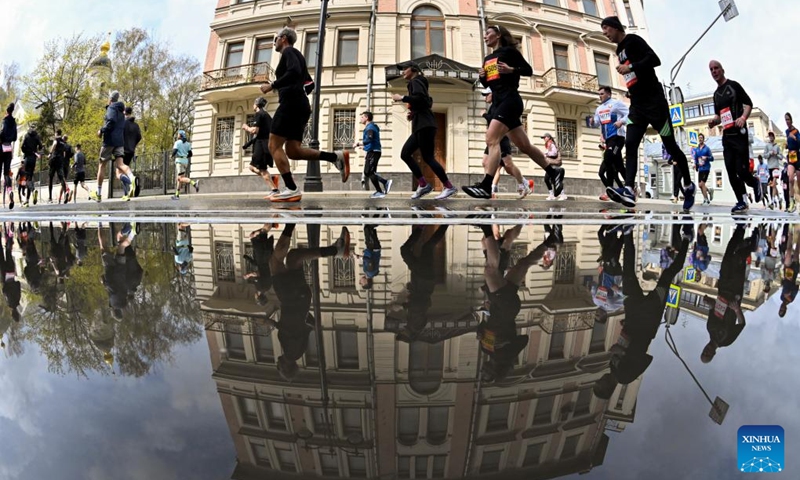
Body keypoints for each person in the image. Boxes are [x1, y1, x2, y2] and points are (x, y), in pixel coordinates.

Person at [601, 16, 696, 211]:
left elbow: (654, 60)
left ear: (615, 27)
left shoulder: (634, 40)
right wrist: (631, 87)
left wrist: (631, 67)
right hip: (637, 106)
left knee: (671, 147)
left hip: (656, 104)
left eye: (606, 29)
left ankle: (688, 185)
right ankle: (628, 188)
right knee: (631, 142)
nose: (605, 34)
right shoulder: (619, 51)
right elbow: (633, 77)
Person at [593, 219, 693, 399]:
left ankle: (627, 232)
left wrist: (624, 330)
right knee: (667, 276)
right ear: (608, 387)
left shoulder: (612, 368)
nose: (601, 378)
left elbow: (624, 344)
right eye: (601, 382)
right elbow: (645, 358)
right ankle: (686, 240)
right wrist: (623, 351)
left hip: (632, 314)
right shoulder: (625, 377)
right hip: (649, 316)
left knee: (628, 274)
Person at [462, 25, 562, 199]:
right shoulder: (488, 58)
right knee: (525, 146)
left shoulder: (510, 52)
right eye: (484, 34)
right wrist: (482, 76)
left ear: (498, 35)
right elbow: (488, 85)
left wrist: (511, 70)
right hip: (499, 101)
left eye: (488, 33)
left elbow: (528, 70)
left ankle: (486, 186)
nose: (485, 36)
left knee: (491, 139)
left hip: (510, 100)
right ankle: (554, 173)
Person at [259, 27, 349, 203]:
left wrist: (273, 85)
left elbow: (294, 73)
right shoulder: (297, 55)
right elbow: (310, 84)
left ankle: (291, 189)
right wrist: (296, 93)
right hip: (299, 105)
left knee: (273, 145)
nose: (274, 42)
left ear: (283, 38)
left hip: (291, 105)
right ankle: (335, 157)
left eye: (275, 39)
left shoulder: (289, 51)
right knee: (293, 151)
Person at [477, 223, 562, 382]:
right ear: (495, 370)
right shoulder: (502, 354)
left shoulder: (487, 349)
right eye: (486, 372)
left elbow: (484, 326)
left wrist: (481, 332)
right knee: (491, 269)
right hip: (503, 306)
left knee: (523, 264)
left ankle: (550, 241)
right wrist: (506, 343)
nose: (483, 369)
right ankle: (486, 227)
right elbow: (523, 340)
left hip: (507, 308)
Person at [266, 224, 351, 381]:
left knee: (294, 258)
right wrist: (271, 323)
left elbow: (307, 326)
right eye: (279, 367)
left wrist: (304, 311)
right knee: (276, 262)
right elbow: (290, 328)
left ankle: (335, 250)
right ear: (285, 367)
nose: (277, 363)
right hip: (290, 298)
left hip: (299, 299)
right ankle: (291, 224)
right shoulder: (292, 353)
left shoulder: (297, 351)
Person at [391, 61, 457, 200]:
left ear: (413, 69)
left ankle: (449, 186)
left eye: (404, 69)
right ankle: (423, 184)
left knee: (426, 157)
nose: (402, 71)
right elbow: (425, 101)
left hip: (424, 125)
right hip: (422, 124)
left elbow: (420, 99)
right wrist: (413, 113)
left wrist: (402, 97)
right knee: (406, 153)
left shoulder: (416, 81)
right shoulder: (418, 82)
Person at [707, 60, 761, 214]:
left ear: (722, 70)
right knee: (730, 170)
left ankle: (754, 182)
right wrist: (713, 122)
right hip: (727, 136)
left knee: (741, 171)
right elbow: (719, 115)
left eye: (716, 68)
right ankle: (742, 201)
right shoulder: (716, 95)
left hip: (739, 135)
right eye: (711, 70)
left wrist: (743, 118)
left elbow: (749, 103)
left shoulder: (733, 86)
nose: (714, 71)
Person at [700, 223, 758, 363]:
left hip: (723, 288)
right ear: (713, 354)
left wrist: (708, 302)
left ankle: (741, 228)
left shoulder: (709, 328)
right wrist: (737, 310)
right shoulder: (726, 341)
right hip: (734, 293)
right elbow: (742, 324)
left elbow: (714, 308)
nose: (706, 351)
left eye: (704, 352)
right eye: (708, 354)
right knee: (738, 258)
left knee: (727, 257)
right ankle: (751, 246)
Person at [480, 88, 531, 199]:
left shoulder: (499, 105)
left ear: (492, 94)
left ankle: (523, 183)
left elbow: (495, 120)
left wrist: (484, 115)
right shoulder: (492, 106)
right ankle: (486, 187)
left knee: (508, 166)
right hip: (493, 139)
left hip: (501, 138)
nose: (485, 98)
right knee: (485, 162)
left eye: (486, 95)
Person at [92, 91, 137, 202]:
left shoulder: (111, 108)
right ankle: (132, 178)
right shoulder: (122, 112)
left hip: (109, 141)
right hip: (119, 142)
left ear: (110, 99)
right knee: (121, 164)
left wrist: (101, 131)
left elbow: (110, 122)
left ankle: (98, 194)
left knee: (102, 165)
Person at [591, 85, 628, 200]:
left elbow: (630, 114)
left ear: (609, 94)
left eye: (602, 94)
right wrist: (593, 122)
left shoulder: (616, 104)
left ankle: (610, 189)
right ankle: (630, 187)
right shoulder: (599, 109)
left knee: (608, 156)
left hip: (618, 138)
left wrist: (621, 121)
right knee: (618, 165)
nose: (600, 96)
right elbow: (597, 123)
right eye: (599, 94)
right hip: (608, 140)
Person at [242, 97, 280, 198]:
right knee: (252, 167)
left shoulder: (259, 114)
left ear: (257, 104)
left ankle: (275, 190)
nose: (253, 105)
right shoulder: (267, 115)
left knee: (262, 169)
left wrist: (246, 127)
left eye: (254, 103)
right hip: (263, 144)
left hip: (263, 146)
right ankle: (271, 178)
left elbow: (254, 130)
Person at [354, 111, 391, 198]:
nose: (361, 119)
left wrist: (358, 143)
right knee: (368, 172)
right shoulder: (372, 127)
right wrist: (364, 148)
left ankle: (383, 186)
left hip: (373, 152)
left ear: (367, 118)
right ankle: (382, 187)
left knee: (369, 172)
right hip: (372, 151)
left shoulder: (370, 127)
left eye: (362, 117)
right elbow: (372, 141)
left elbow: (370, 139)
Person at [243, 224, 275, 305]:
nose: (254, 297)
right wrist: (248, 275)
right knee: (253, 236)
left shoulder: (267, 287)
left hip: (267, 258)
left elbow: (266, 273)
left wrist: (247, 258)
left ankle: (273, 219)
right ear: (258, 297)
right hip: (261, 257)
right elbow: (257, 274)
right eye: (256, 298)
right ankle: (272, 220)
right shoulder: (260, 287)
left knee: (263, 234)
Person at [0, 223, 21, 322]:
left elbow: (18, 284)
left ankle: (9, 233)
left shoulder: (18, 300)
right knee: (1, 255)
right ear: (12, 313)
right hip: (5, 275)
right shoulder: (10, 303)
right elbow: (5, 291)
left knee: (8, 252)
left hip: (12, 274)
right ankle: (1, 232)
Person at [171, 130, 199, 200]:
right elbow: (190, 154)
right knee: (179, 179)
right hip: (185, 162)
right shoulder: (188, 144)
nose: (177, 135)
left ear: (180, 135)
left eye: (178, 134)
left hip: (179, 162)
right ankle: (177, 195)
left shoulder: (177, 143)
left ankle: (194, 183)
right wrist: (185, 156)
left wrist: (171, 156)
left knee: (180, 178)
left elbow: (174, 151)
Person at [779, 224, 799, 318]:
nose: (781, 308)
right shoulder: (790, 299)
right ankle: (798, 234)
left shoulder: (781, 297)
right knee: (796, 252)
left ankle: (790, 233)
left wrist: (782, 282)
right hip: (793, 273)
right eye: (783, 310)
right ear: (785, 309)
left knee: (789, 250)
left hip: (787, 272)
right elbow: (796, 287)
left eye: (780, 309)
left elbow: (784, 285)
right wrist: (790, 293)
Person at [20, 124, 42, 207]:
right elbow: (40, 146)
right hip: (33, 159)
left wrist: (26, 151)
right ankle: (27, 200)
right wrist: (35, 150)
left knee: (27, 179)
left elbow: (22, 147)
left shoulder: (26, 136)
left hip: (27, 159)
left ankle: (33, 191)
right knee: (30, 178)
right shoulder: (36, 136)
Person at [122, 106, 142, 197]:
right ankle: (129, 190)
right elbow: (139, 137)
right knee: (126, 170)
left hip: (122, 149)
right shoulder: (136, 125)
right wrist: (133, 145)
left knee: (119, 172)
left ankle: (131, 184)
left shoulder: (123, 123)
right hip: (131, 150)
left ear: (124, 113)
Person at [0, 104, 17, 209]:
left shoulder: (5, 120)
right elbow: (15, 137)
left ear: (7, 111)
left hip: (1, 147)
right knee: (7, 173)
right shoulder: (14, 123)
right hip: (9, 148)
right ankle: (10, 191)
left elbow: (2, 131)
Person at [542, 133, 567, 201]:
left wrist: (546, 154)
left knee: (553, 180)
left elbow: (554, 153)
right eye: (543, 138)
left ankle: (562, 195)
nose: (544, 139)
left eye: (545, 137)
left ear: (549, 137)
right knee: (549, 179)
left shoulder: (551, 144)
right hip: (550, 165)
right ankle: (552, 194)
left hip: (554, 165)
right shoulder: (548, 145)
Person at [784, 113, 800, 212]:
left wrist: (795, 138)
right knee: (790, 178)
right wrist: (787, 145)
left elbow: (799, 142)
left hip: (798, 156)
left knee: (799, 181)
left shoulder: (796, 131)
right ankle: (792, 202)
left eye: (788, 119)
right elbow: (789, 143)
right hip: (790, 156)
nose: (787, 121)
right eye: (785, 120)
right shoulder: (786, 131)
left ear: (791, 120)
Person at [763, 131, 783, 209]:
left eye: (772, 136)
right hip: (770, 167)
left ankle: (772, 201)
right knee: (773, 185)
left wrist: (776, 154)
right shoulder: (767, 146)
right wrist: (769, 153)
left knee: (774, 183)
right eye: (770, 136)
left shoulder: (777, 146)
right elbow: (764, 155)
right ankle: (779, 198)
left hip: (776, 166)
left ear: (774, 138)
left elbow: (781, 157)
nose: (771, 138)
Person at [693, 133, 714, 205]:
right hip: (700, 169)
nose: (700, 139)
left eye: (701, 138)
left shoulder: (707, 148)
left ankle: (706, 200)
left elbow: (712, 158)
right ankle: (709, 190)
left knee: (702, 184)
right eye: (699, 138)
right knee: (700, 185)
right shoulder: (696, 149)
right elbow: (696, 159)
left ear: (703, 139)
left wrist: (706, 158)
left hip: (706, 168)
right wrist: (695, 165)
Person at [48, 129, 68, 204]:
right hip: (60, 161)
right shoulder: (63, 142)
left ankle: (50, 198)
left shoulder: (56, 139)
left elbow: (54, 144)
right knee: (61, 178)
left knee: (50, 178)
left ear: (56, 133)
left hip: (54, 160)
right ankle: (65, 193)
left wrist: (50, 153)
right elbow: (64, 153)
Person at [359, 224, 381, 289]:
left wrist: (358, 256)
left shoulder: (371, 273)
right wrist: (361, 258)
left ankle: (379, 216)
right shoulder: (370, 272)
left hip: (374, 248)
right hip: (373, 248)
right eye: (362, 283)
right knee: (367, 228)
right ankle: (384, 217)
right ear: (366, 282)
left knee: (369, 229)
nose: (360, 281)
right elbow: (369, 261)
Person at [60, 135, 74, 203]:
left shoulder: (61, 145)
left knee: (62, 180)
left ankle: (67, 190)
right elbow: (72, 154)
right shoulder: (69, 146)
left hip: (61, 164)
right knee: (64, 179)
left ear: (63, 139)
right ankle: (62, 198)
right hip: (67, 164)